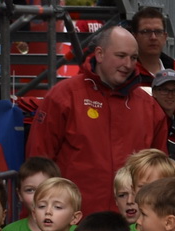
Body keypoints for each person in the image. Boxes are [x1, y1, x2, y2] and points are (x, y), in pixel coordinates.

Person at [26, 23, 166, 213]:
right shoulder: (64, 96)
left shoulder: (148, 106)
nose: (128, 65)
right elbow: (39, 163)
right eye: (121, 56)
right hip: (74, 222)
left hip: (131, 225)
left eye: (133, 58)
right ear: (100, 54)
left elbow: (159, 170)